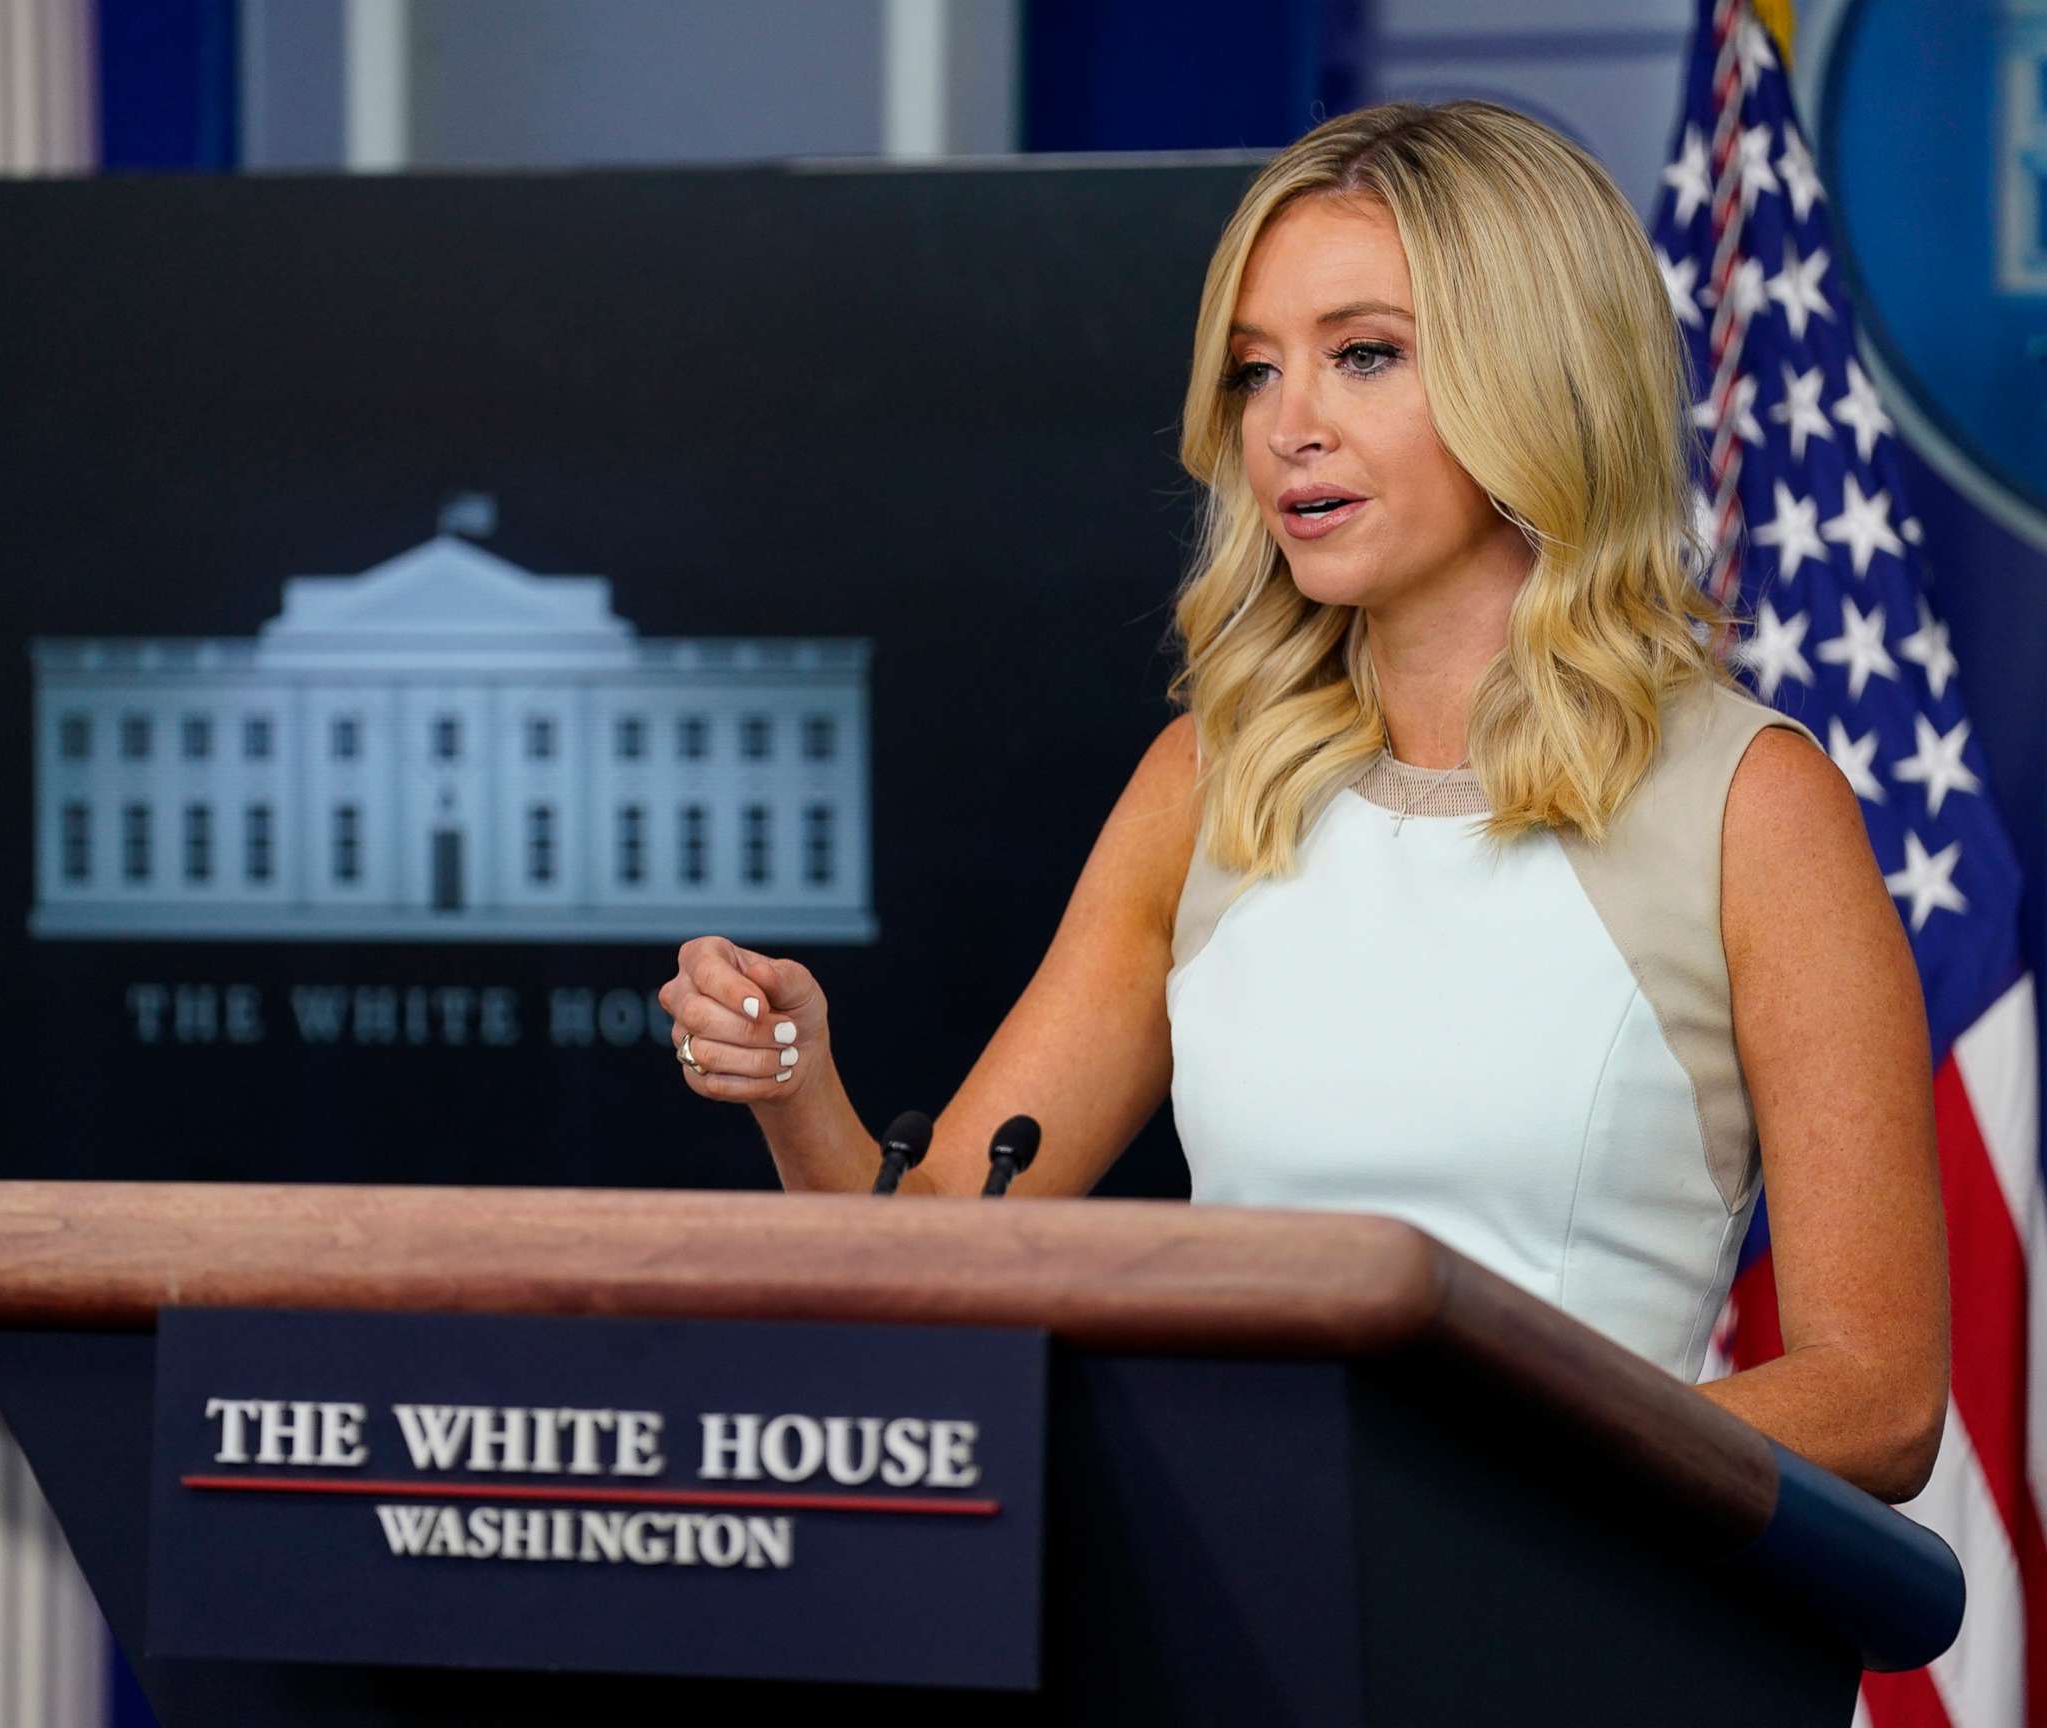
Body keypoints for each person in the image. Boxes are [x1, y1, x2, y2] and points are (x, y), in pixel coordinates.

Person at [658, 100, 1946, 1504]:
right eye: (1256, 373)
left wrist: (1450, 1466)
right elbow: (934, 1262)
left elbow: (1877, 1404)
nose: (1290, 429)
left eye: (1365, 355)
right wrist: (795, 1083)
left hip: (1573, 1615)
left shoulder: (1750, 804)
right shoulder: (1209, 781)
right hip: (1244, 1612)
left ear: (1539, 377)